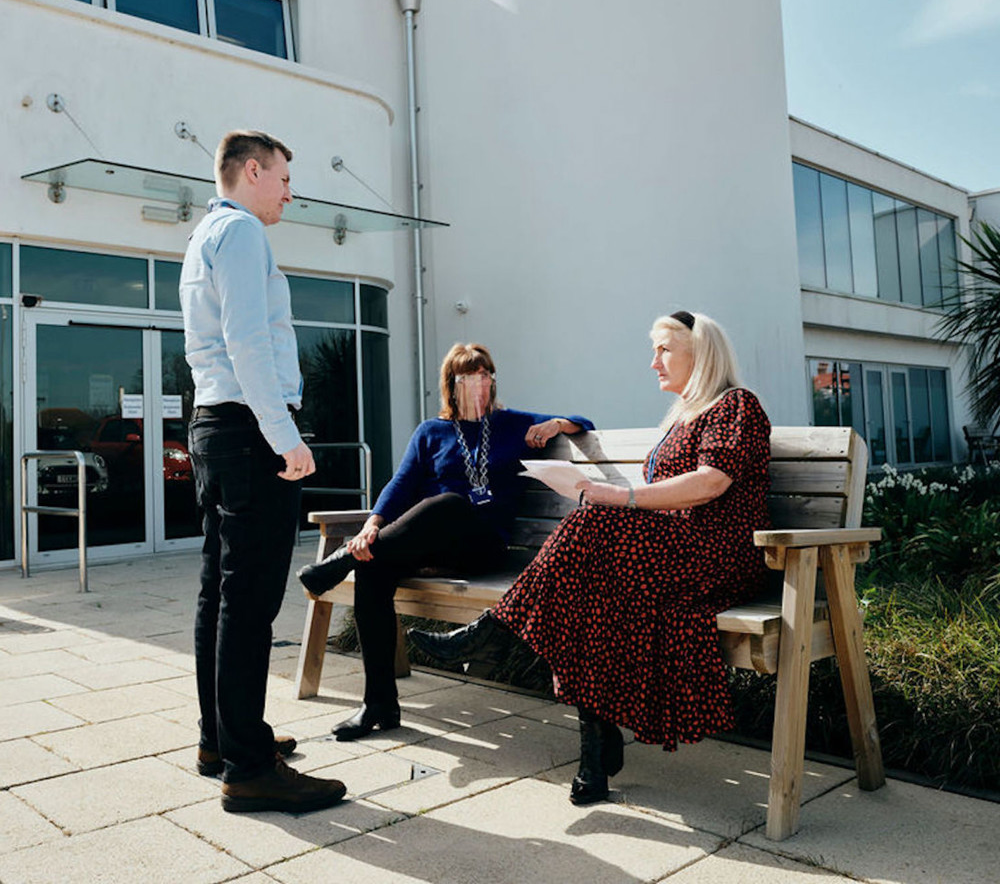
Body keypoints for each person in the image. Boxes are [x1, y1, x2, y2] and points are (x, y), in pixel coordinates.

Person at [411, 312, 771, 805]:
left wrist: (616, 498)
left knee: (591, 525)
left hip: (715, 556)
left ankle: (493, 634)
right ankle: (593, 759)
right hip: (667, 552)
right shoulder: (680, 417)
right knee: (585, 598)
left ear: (701, 352)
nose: (653, 362)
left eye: (664, 349)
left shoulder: (736, 406)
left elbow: (711, 482)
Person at [297, 342, 594, 741]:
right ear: (451, 385)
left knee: (449, 503)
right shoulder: (431, 431)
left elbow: (583, 422)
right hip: (430, 547)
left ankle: (337, 564)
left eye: (485, 375)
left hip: (483, 547)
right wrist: (371, 525)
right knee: (373, 570)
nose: (479, 383)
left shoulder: (511, 424)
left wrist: (557, 424)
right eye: (469, 377)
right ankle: (378, 703)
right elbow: (400, 484)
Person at [181, 130, 347, 814]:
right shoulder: (243, 234)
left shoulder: (205, 235)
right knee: (248, 606)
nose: (288, 191)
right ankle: (249, 770)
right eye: (283, 177)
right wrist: (286, 439)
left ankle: (223, 739)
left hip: (215, 428)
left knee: (218, 596)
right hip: (250, 432)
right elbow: (247, 340)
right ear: (253, 171)